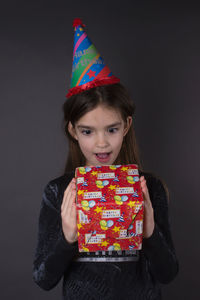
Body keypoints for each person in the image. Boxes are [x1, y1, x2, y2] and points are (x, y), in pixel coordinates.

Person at [33, 19, 178, 300]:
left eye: (111, 129)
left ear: (125, 126)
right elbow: (43, 279)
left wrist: (149, 232)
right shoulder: (58, 192)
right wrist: (66, 238)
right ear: (73, 131)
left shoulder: (150, 188)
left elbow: (167, 273)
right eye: (88, 131)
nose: (101, 142)